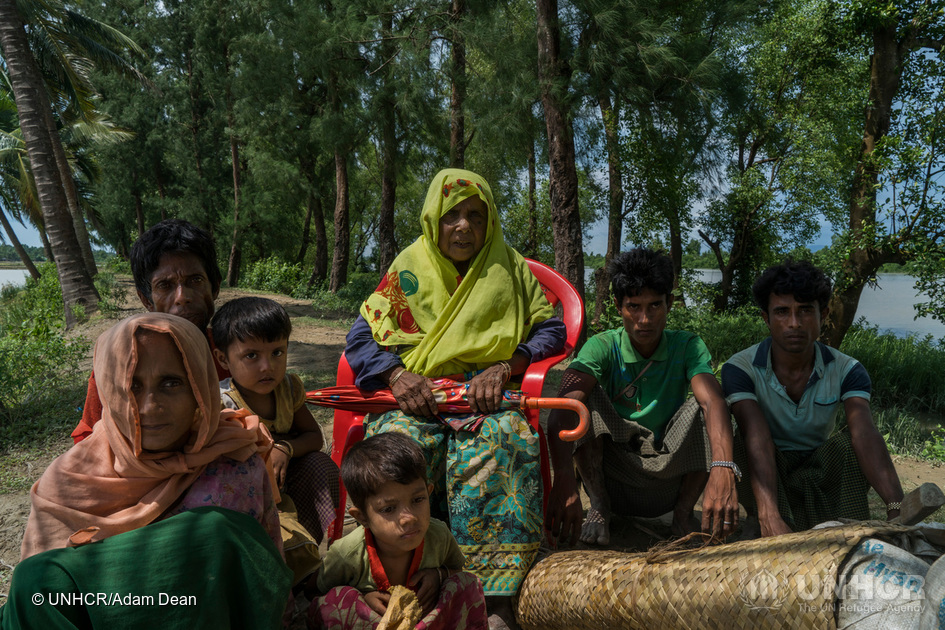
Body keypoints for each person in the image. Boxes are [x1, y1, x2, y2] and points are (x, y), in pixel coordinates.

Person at [345, 168, 566, 629]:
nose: (464, 226)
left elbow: (552, 329)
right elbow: (362, 336)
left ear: (490, 223)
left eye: (475, 216)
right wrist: (396, 374)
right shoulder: (407, 268)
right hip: (418, 395)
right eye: (452, 216)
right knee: (399, 449)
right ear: (432, 220)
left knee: (504, 439)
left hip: (488, 394)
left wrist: (508, 366)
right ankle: (395, 576)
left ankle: (495, 596)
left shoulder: (509, 267)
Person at [4, 313, 291, 628]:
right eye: (132, 386)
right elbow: (45, 603)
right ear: (110, 391)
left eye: (171, 383)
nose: (150, 406)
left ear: (200, 388)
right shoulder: (69, 481)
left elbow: (259, 584)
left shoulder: (234, 463)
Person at [546, 248, 739, 547]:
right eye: (633, 307)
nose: (644, 319)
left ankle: (682, 516)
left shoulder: (688, 345)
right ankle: (599, 507)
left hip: (668, 475)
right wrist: (563, 479)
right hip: (616, 474)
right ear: (617, 305)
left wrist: (723, 466)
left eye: (655, 306)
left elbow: (712, 401)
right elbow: (562, 406)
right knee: (583, 400)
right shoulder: (602, 346)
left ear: (669, 303)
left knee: (712, 407)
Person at [721, 260, 904, 537]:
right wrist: (770, 514)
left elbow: (864, 434)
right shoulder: (740, 367)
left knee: (847, 446)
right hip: (768, 467)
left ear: (824, 314)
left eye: (805, 311)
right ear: (766, 318)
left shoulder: (847, 369)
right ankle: (763, 518)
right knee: (741, 443)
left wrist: (896, 506)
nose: (794, 323)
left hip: (820, 467)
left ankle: (843, 528)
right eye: (782, 312)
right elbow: (756, 435)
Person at [309, 432, 487, 630]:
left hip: (427, 622)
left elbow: (456, 571)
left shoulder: (438, 536)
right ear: (362, 518)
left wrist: (439, 575)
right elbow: (316, 594)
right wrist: (362, 599)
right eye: (388, 509)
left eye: (418, 500)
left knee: (467, 583)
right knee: (337, 601)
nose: (409, 517)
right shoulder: (346, 553)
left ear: (428, 493)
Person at [71, 219, 226, 443]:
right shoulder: (119, 361)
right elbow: (88, 437)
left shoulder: (233, 353)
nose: (183, 297)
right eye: (164, 285)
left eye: (196, 280)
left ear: (215, 288)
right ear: (146, 299)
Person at [212, 296, 339, 547]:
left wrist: (285, 449)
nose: (267, 366)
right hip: (246, 493)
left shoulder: (288, 389)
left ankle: (306, 548)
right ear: (223, 359)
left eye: (277, 352)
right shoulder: (223, 404)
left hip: (288, 482)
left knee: (320, 464)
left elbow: (314, 437)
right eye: (251, 356)